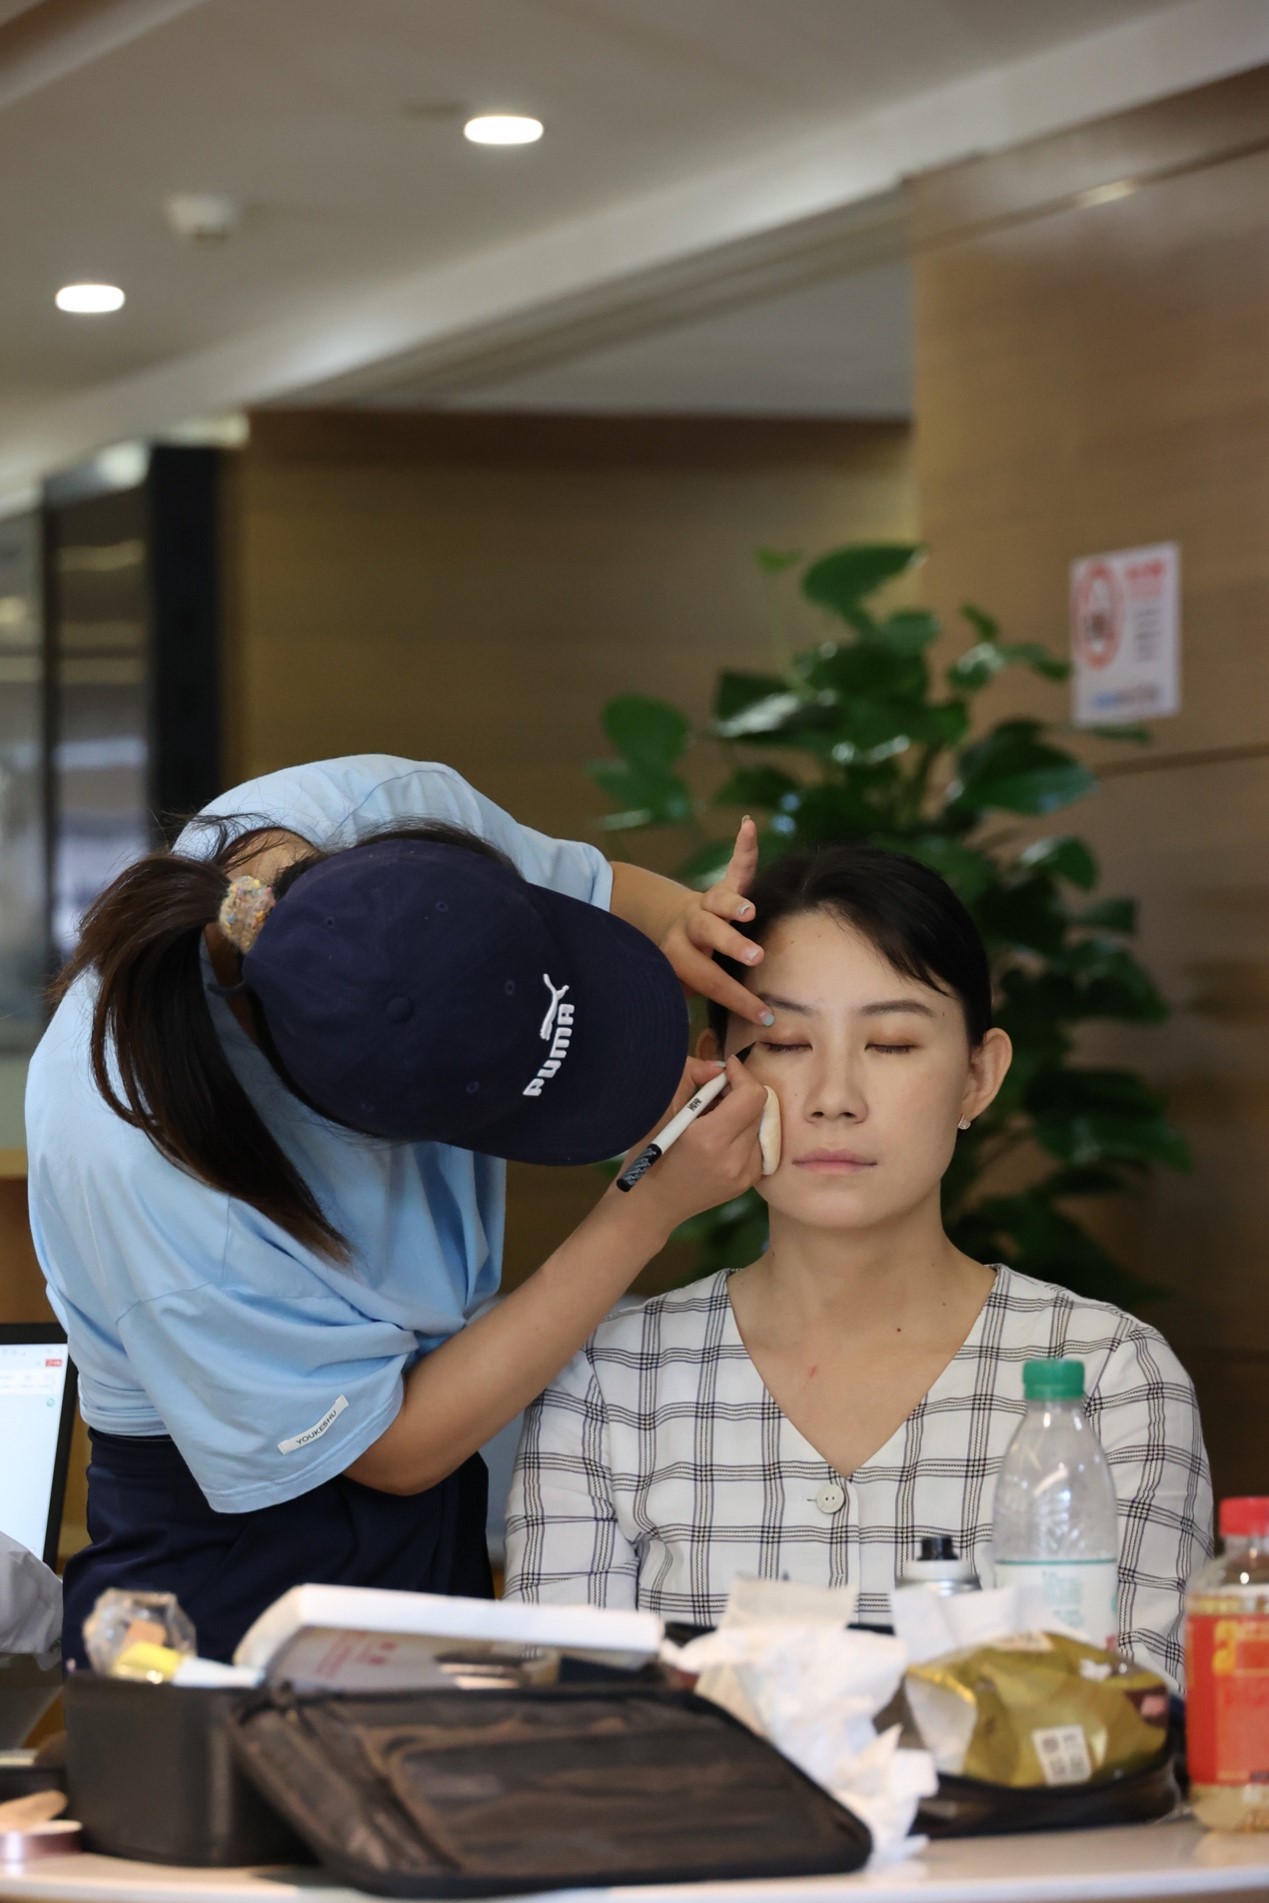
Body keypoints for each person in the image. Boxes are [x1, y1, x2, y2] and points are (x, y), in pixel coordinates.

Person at [28, 755, 770, 1664]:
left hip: (430, 1479)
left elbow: (595, 889)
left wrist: (673, 920)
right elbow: (394, 1451)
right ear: (368, 1128)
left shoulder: (383, 820)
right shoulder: (156, 1181)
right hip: (234, 1567)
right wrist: (644, 1210)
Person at [505, 844, 1213, 1687]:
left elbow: (1133, 1722)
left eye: (890, 1042)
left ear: (978, 1076)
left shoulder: (1109, 1377)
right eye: (785, 1040)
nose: (833, 1097)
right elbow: (565, 1725)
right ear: (717, 1071)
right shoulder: (609, 1378)